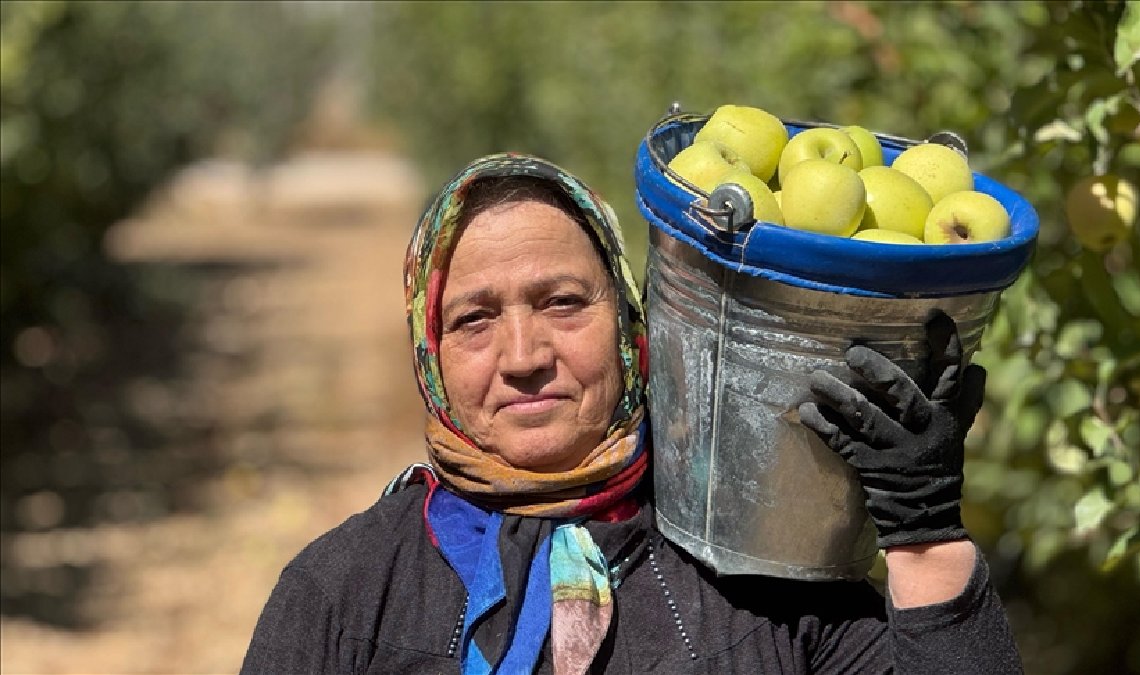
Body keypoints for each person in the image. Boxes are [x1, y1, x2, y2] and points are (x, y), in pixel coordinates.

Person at [240, 152, 1023, 674]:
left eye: (563, 302)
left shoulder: (760, 581)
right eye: (474, 318)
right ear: (429, 354)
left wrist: (924, 538)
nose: (524, 354)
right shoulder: (346, 593)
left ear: (629, 325)